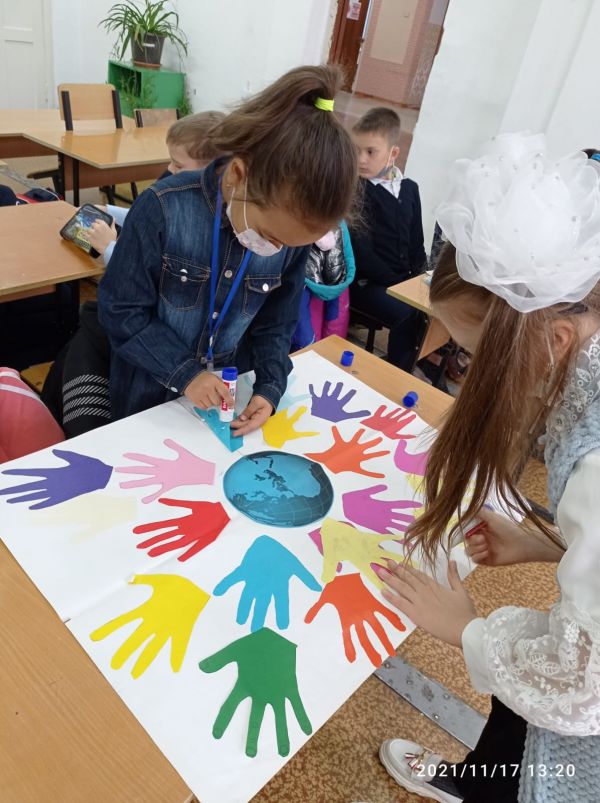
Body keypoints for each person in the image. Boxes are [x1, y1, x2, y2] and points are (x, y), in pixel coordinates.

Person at [374, 133, 600, 802]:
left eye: (475, 357)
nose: (468, 375)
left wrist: (467, 628)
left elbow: (580, 688)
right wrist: (545, 543)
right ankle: (477, 782)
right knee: (511, 728)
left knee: (543, 768)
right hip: (557, 691)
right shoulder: (580, 356)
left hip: (582, 731)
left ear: (555, 340)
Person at [97, 65, 357, 434]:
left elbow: (276, 324)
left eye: (289, 244)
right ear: (236, 176)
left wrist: (270, 387)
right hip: (148, 399)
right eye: (269, 234)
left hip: (228, 402)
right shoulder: (163, 208)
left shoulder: (290, 237)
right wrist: (186, 374)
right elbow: (122, 311)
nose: (275, 249)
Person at [87, 111, 226, 264]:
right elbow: (150, 220)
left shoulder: (200, 222)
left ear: (213, 170)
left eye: (178, 165)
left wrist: (108, 247)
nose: (170, 168)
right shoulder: (185, 198)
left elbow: (146, 272)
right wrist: (108, 211)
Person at [349, 107, 427, 371]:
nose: (361, 159)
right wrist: (400, 286)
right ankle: (395, 374)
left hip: (401, 281)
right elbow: (361, 252)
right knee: (410, 313)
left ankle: (422, 367)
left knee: (436, 311)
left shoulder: (409, 189)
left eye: (370, 152)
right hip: (367, 284)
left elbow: (417, 242)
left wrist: (420, 280)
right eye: (357, 150)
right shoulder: (356, 190)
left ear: (393, 154)